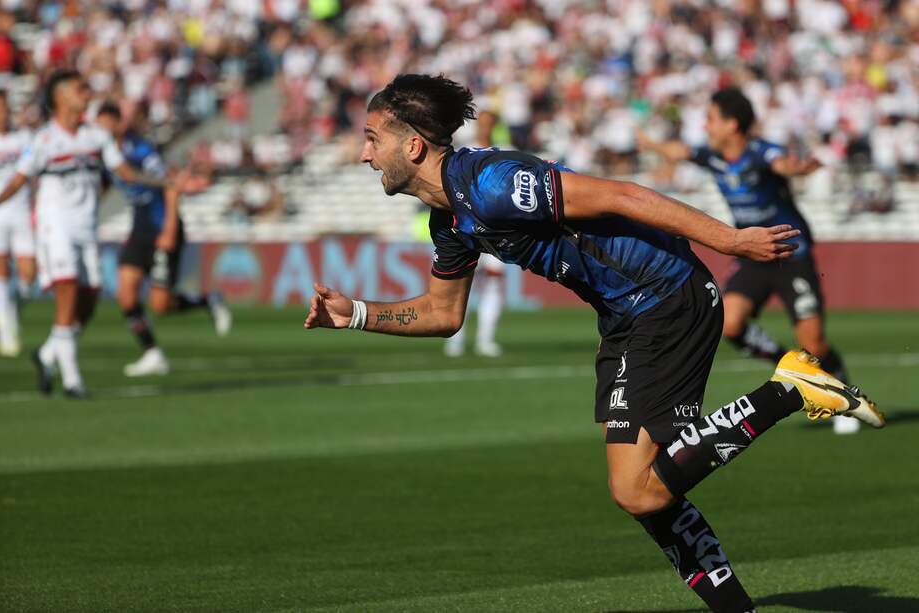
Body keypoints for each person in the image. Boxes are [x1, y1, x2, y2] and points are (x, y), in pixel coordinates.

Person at [303, 74, 885, 613]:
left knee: (638, 490)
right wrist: (355, 315)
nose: (363, 154)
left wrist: (730, 241)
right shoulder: (449, 220)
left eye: (372, 139)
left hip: (667, 297)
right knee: (645, 491)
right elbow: (442, 313)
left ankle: (788, 389)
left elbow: (623, 196)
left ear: (412, 146)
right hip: (625, 317)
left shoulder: (493, 182)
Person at [637, 87, 861, 434]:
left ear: (732, 125)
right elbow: (677, 150)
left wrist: (800, 168)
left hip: (791, 255)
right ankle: (789, 365)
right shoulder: (710, 156)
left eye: (711, 119)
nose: (705, 126)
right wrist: (649, 143)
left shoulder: (761, 152)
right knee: (729, 324)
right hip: (754, 255)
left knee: (814, 343)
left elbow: (783, 163)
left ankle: (842, 391)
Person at [0, 70, 193, 397]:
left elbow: (126, 173)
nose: (87, 94)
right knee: (67, 291)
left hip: (87, 227)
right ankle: (72, 381)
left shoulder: (96, 136)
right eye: (81, 89)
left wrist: (168, 182)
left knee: (87, 303)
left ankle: (47, 354)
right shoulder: (44, 140)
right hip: (55, 225)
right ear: (61, 97)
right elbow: (18, 180)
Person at [95, 103, 231, 377]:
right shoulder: (104, 154)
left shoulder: (140, 150)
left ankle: (207, 300)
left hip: (162, 225)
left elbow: (170, 184)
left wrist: (169, 227)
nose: (101, 130)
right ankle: (152, 353)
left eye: (106, 124)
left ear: (118, 124)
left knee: (160, 305)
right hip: (139, 226)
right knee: (126, 293)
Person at [445, 108, 504, 358]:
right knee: (461, 283)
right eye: (483, 122)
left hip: (496, 229)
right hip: (466, 227)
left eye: (491, 123)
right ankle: (456, 338)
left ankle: (485, 339)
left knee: (492, 284)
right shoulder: (465, 152)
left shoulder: (504, 151)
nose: (486, 127)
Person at [0, 90, 35, 356]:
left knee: (28, 276)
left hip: (21, 211)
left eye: (3, 108)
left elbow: (34, 172)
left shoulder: (24, 138)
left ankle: (9, 315)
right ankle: (7, 332)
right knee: (1, 272)